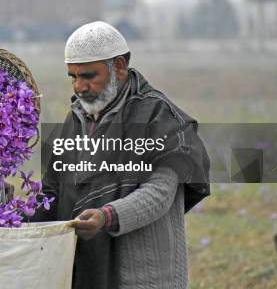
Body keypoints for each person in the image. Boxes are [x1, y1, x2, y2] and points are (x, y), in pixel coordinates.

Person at [32, 21, 210, 289]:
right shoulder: (75, 120)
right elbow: (53, 192)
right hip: (85, 271)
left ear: (118, 67)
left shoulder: (159, 116)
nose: (79, 87)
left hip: (144, 277)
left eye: (89, 76)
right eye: (73, 77)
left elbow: (159, 193)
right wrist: (13, 215)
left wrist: (107, 216)